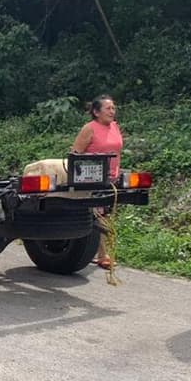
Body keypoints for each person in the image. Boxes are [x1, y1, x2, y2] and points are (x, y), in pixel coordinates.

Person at [71, 94, 123, 269]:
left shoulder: (114, 126)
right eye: (108, 108)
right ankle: (102, 255)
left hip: (112, 178)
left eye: (113, 108)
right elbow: (75, 154)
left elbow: (117, 151)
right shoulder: (89, 128)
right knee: (99, 214)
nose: (112, 111)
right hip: (92, 179)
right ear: (96, 112)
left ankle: (97, 251)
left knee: (107, 214)